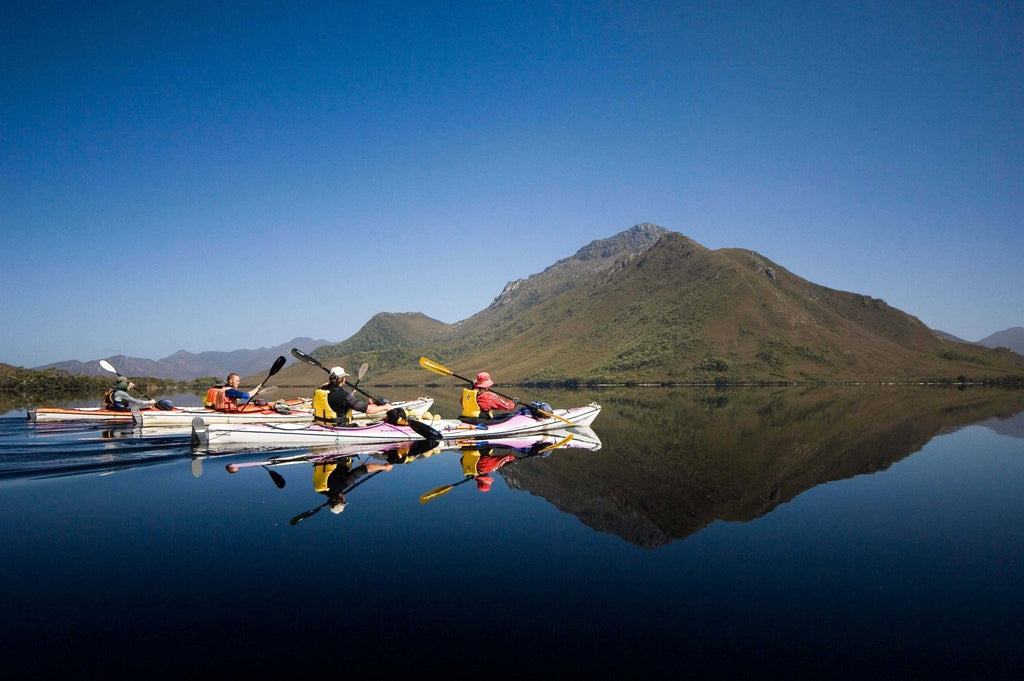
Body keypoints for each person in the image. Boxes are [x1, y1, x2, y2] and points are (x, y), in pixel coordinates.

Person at [313, 366, 394, 425]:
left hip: (322, 424)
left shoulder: (320, 391)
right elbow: (368, 411)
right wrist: (385, 407)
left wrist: (373, 406)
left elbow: (363, 407)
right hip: (339, 428)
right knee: (361, 424)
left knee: (360, 423)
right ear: (343, 379)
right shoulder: (345, 396)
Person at [313, 457, 393, 514]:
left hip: (337, 455)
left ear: (341, 499)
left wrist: (384, 467)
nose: (345, 499)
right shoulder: (320, 490)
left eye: (344, 501)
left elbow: (366, 468)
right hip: (322, 457)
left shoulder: (342, 484)